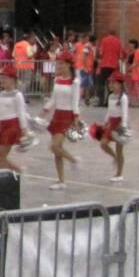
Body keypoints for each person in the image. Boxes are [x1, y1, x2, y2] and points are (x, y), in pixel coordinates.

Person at [41, 54, 81, 190]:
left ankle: (74, 160)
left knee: (54, 146)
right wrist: (45, 110)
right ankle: (61, 181)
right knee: (56, 151)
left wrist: (76, 117)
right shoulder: (57, 79)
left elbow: (75, 101)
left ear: (69, 65)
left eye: (62, 63)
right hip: (57, 115)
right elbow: (53, 98)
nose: (59, 66)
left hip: (67, 116)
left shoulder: (75, 81)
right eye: (58, 63)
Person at [0, 64, 28, 174]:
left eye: (5, 78)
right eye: (1, 78)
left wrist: (24, 130)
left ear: (12, 79)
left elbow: (21, 113)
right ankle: (16, 170)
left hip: (12, 128)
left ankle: (8, 176)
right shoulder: (1, 94)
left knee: (1, 156)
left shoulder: (17, 95)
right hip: (2, 127)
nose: (2, 81)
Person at [94, 73, 129, 182]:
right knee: (103, 144)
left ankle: (119, 174)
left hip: (119, 125)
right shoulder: (110, 96)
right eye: (110, 83)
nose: (111, 85)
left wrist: (123, 127)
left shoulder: (123, 97)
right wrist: (105, 122)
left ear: (120, 84)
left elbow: (125, 113)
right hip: (111, 124)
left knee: (119, 150)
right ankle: (114, 157)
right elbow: (109, 111)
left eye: (114, 83)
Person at [96, 30, 121, 107]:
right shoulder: (118, 41)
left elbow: (101, 53)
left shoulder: (104, 40)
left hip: (104, 65)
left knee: (101, 84)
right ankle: (108, 101)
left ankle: (101, 101)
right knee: (111, 84)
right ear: (115, 34)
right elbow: (120, 54)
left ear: (108, 34)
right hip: (114, 66)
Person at [126, 39, 139, 105]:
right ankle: (130, 101)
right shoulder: (130, 52)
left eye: (130, 43)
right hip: (131, 72)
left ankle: (137, 101)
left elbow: (135, 63)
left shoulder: (137, 52)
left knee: (136, 86)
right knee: (130, 87)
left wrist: (129, 68)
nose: (129, 45)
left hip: (136, 72)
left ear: (134, 44)